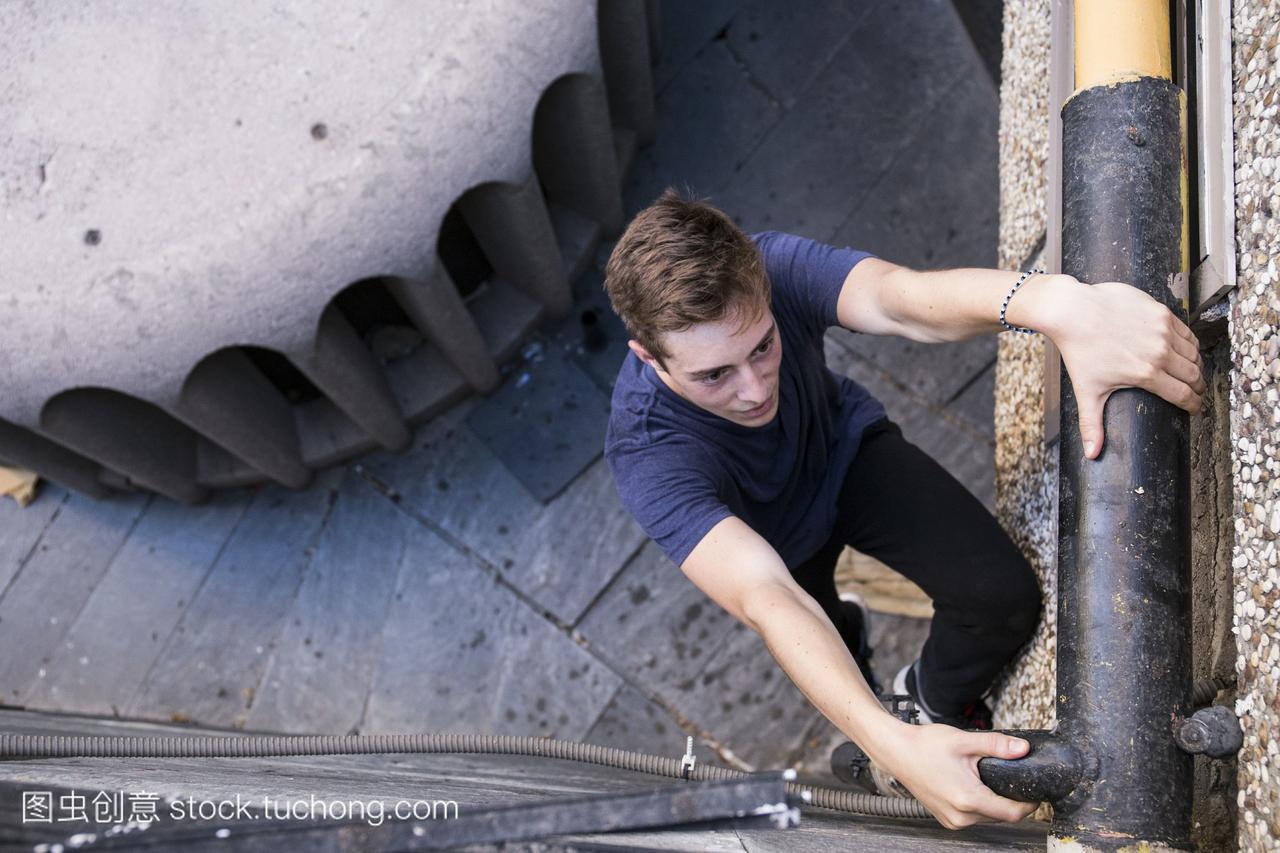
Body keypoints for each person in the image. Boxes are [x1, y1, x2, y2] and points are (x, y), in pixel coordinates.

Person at [601, 189, 1206, 829]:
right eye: (714, 375)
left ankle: (924, 696)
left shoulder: (769, 267)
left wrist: (1056, 305)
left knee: (1001, 599)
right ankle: (865, 665)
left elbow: (899, 298)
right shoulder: (646, 453)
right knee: (826, 637)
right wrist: (890, 746)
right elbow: (764, 594)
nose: (755, 390)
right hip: (774, 548)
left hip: (844, 455)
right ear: (648, 355)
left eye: (761, 347)